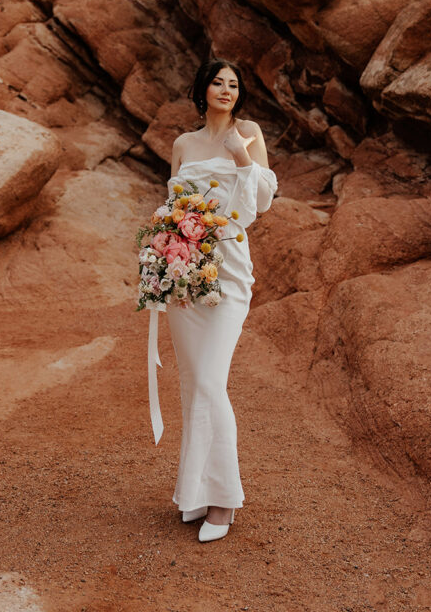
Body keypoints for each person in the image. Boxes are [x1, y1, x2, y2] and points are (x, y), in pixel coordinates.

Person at [154, 58, 278, 543]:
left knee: (210, 380)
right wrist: (163, 256)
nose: (226, 89)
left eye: (234, 84)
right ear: (202, 89)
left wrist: (241, 157)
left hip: (228, 270)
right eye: (217, 82)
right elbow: (172, 205)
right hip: (186, 274)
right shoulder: (183, 144)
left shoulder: (247, 132)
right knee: (192, 387)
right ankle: (195, 494)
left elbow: (260, 203)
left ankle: (225, 500)